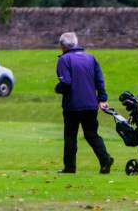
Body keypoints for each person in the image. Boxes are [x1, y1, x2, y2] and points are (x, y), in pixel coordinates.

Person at [54, 32, 114, 174]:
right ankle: (104, 158)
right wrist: (102, 99)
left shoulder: (64, 59)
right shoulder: (90, 58)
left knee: (70, 135)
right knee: (92, 134)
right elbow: (99, 80)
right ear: (76, 43)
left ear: (63, 45)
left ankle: (70, 167)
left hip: (73, 104)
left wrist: (58, 88)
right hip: (91, 104)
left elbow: (66, 83)